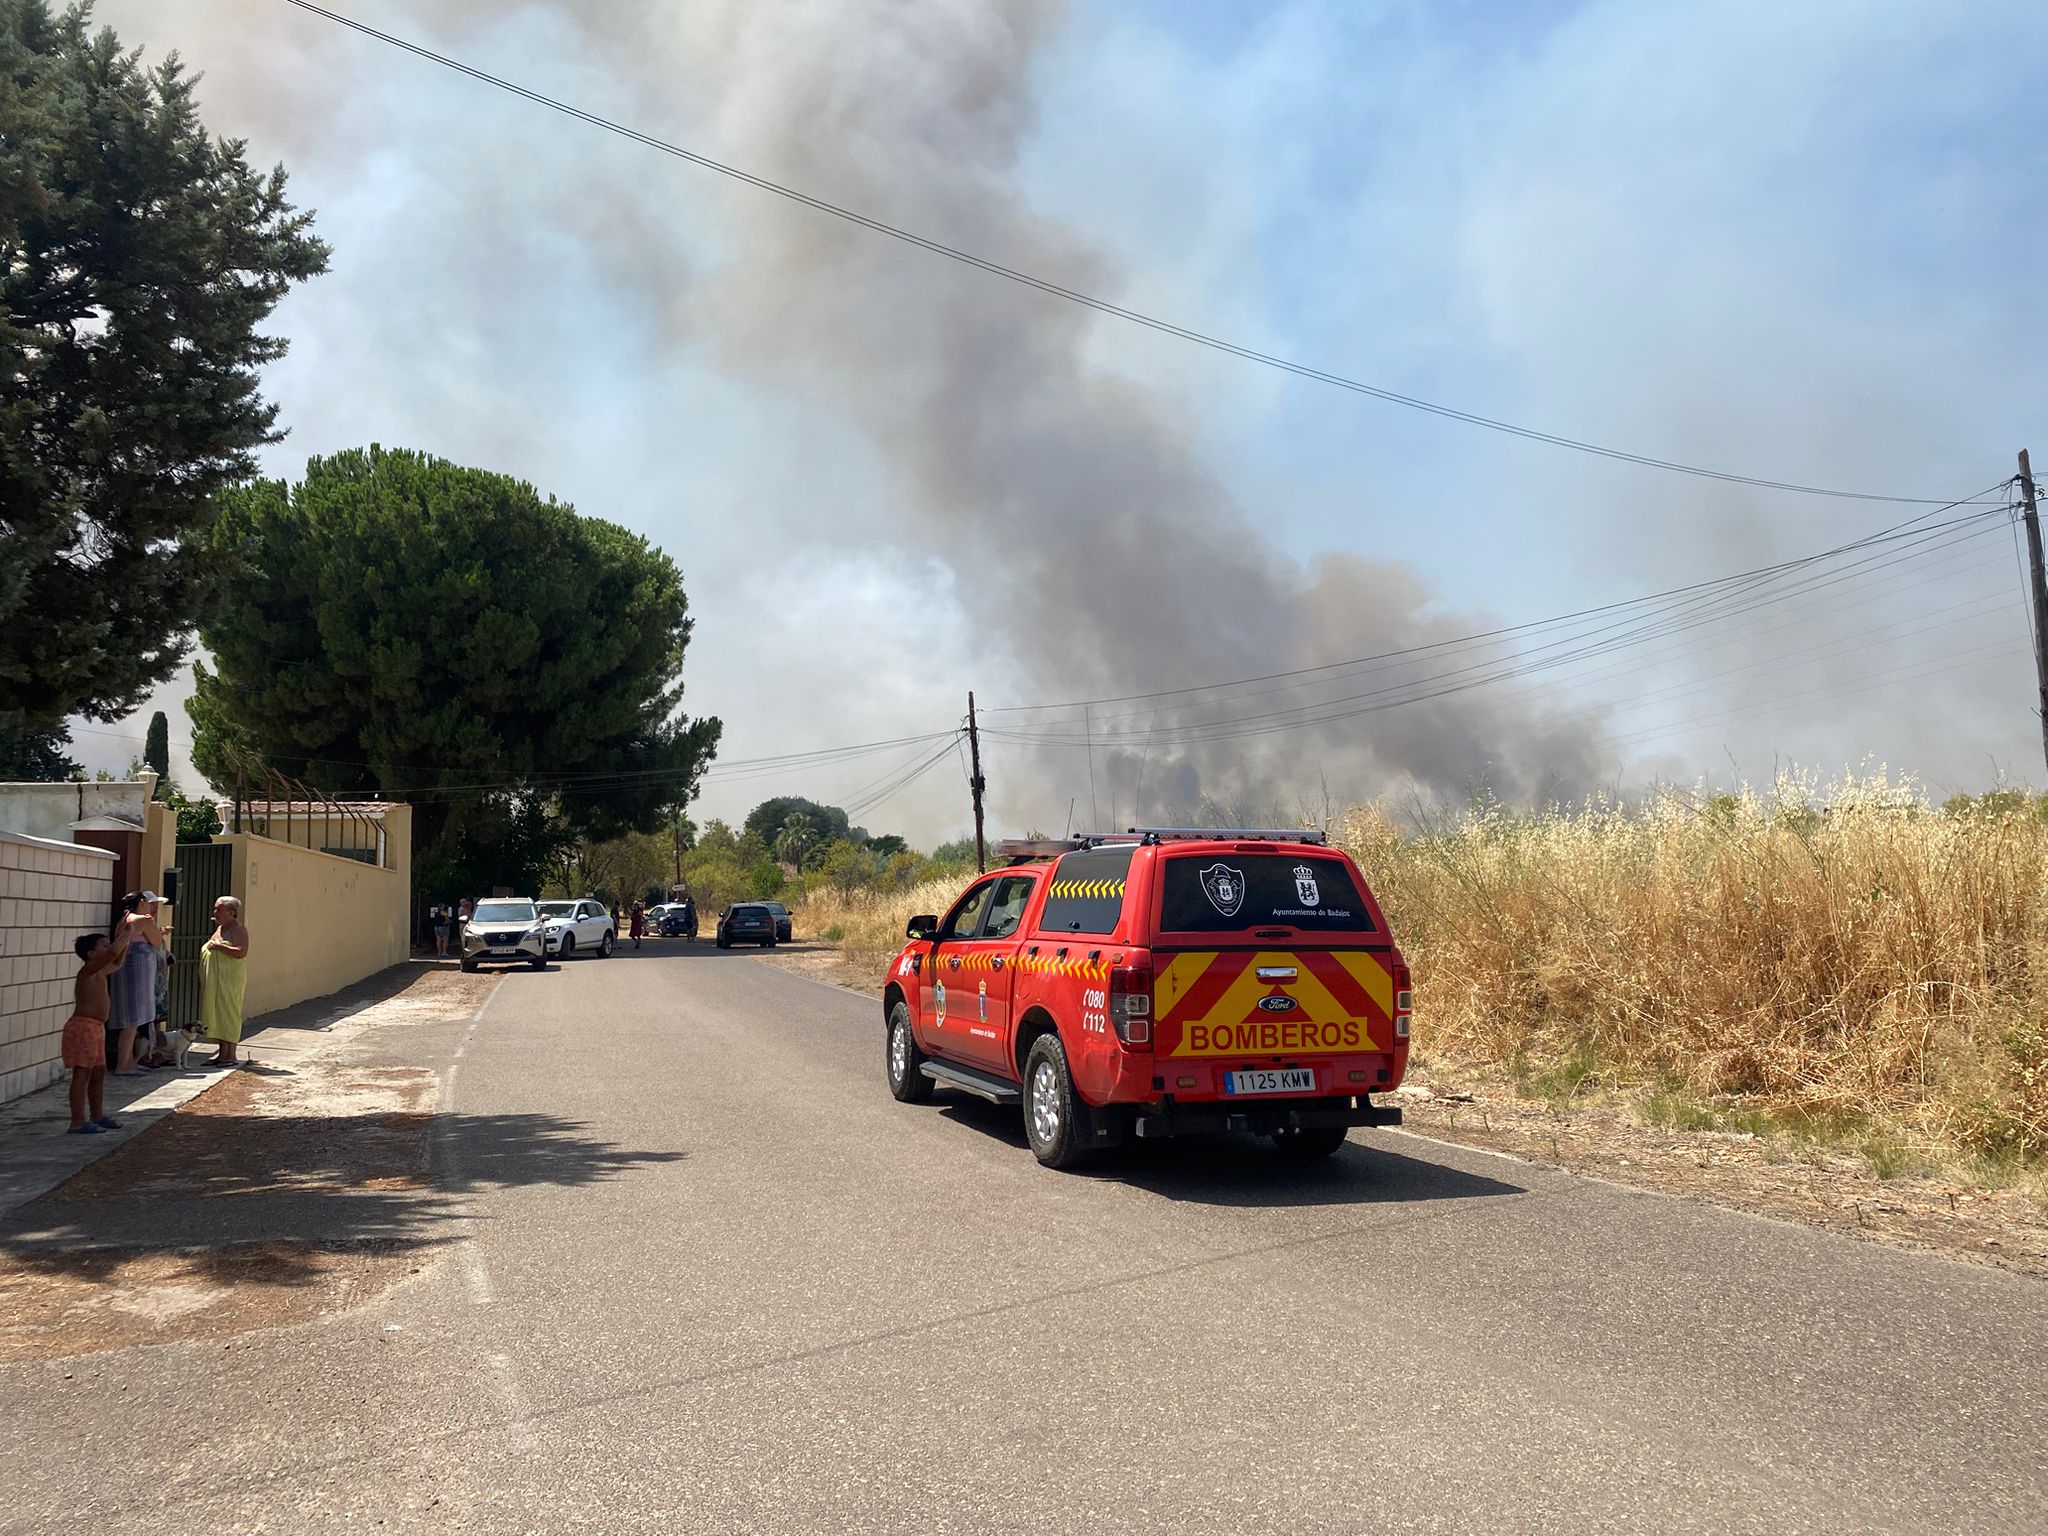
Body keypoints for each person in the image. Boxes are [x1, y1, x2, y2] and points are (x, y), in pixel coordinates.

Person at [64, 926, 133, 1133]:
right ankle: (77, 1122)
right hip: (82, 1027)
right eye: (104, 945)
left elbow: (117, 960)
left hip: (96, 1028)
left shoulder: (101, 971)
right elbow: (114, 953)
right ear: (92, 954)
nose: (109, 948)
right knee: (82, 1074)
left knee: (98, 1074)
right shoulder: (87, 971)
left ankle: (97, 1115)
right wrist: (127, 934)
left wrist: (128, 940)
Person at [109, 891, 165, 1077]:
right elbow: (156, 941)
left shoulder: (123, 920)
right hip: (138, 973)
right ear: (142, 902)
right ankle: (123, 1064)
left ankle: (129, 1061)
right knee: (132, 1019)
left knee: (130, 1017)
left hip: (123, 970)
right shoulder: (143, 920)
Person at [201, 896, 252, 1067]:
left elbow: (240, 952)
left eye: (219, 909)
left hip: (230, 981)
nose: (215, 913)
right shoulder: (220, 929)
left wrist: (218, 947)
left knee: (229, 1013)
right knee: (218, 1013)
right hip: (216, 981)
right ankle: (222, 1053)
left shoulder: (239, 930)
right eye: (215, 909)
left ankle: (231, 1054)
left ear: (231, 913)